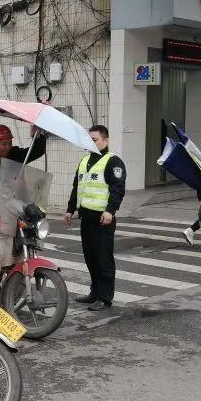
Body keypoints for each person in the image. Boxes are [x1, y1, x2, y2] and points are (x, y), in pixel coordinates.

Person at [0, 123, 47, 296]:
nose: (8, 147)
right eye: (3, 144)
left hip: (20, 212)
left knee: (22, 257)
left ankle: (11, 295)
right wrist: (6, 190)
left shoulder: (15, 154)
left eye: (9, 143)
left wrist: (38, 135)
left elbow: (36, 152)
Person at [63, 125, 127, 312]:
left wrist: (110, 211)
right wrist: (70, 209)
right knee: (90, 257)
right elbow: (77, 187)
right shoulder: (85, 161)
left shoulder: (112, 161)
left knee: (103, 258)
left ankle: (105, 298)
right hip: (87, 218)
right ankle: (94, 291)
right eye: (89, 139)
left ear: (105, 140)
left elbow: (117, 189)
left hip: (103, 219)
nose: (91, 143)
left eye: (95, 139)